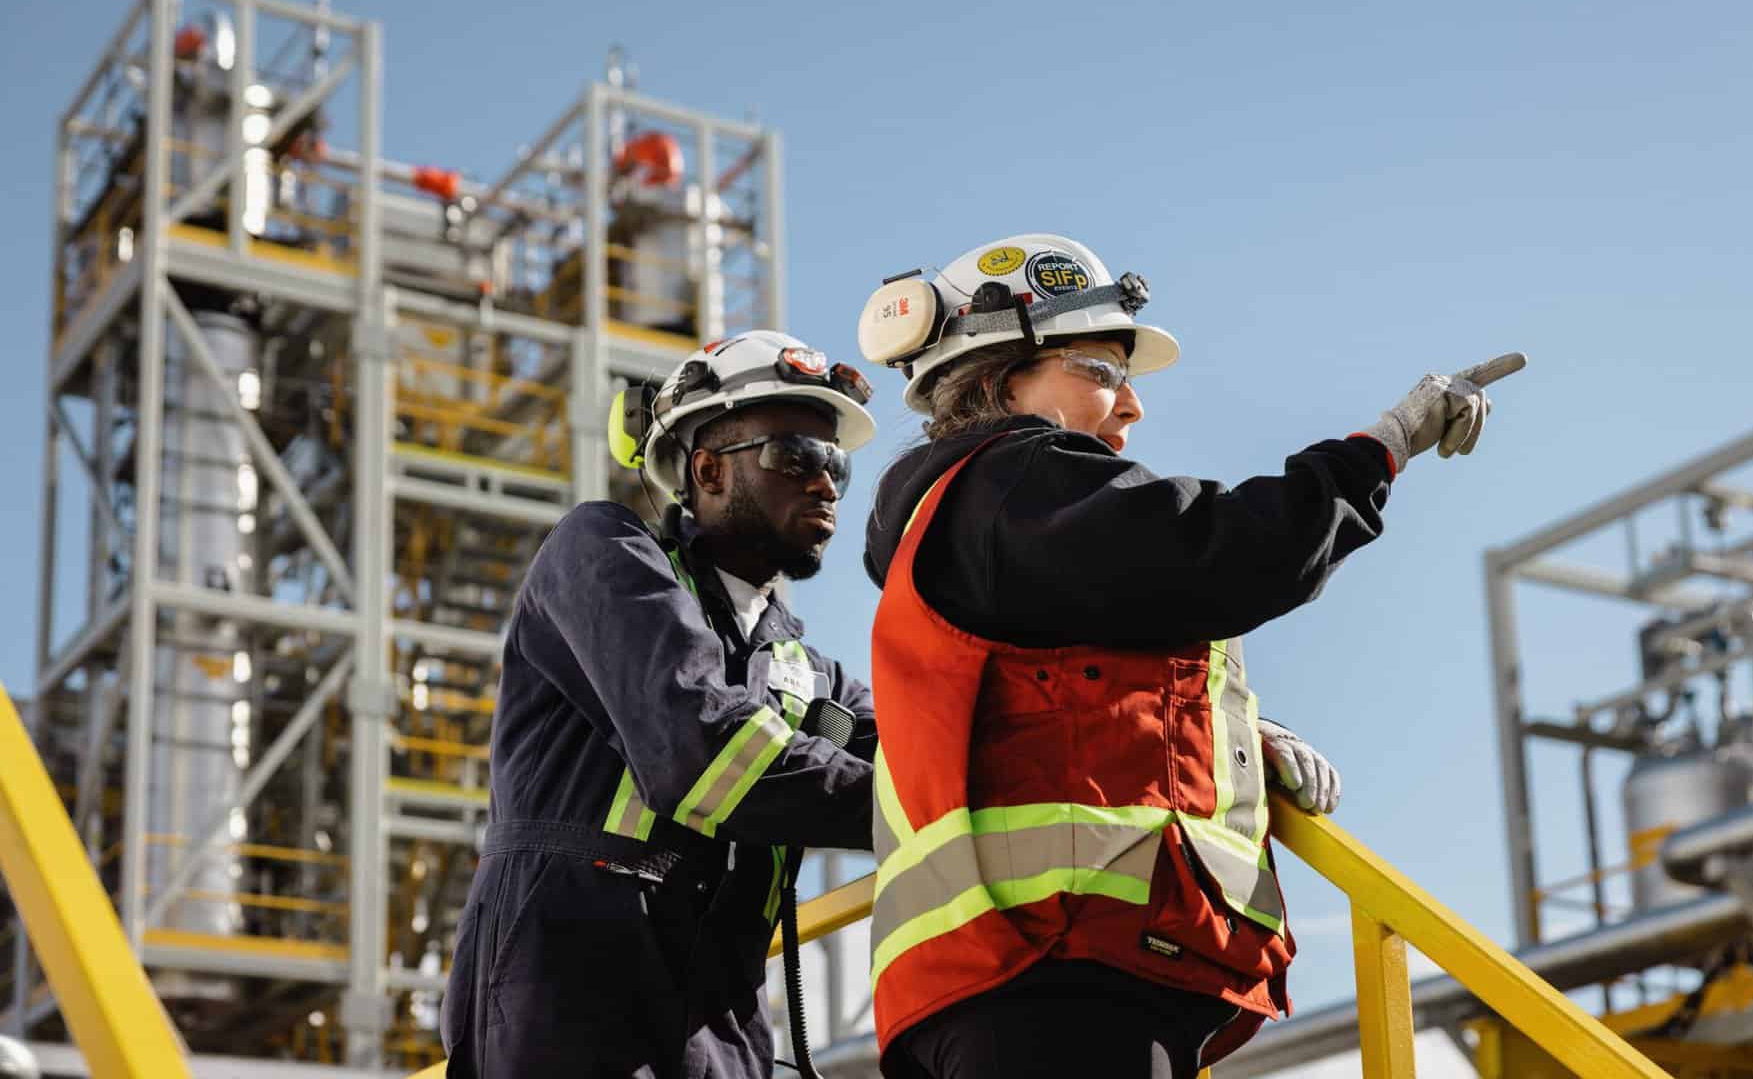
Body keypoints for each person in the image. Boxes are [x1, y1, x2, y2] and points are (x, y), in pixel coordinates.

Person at [854, 234, 1521, 1078]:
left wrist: (1235, 734)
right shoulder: (1012, 480)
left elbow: (1067, 698)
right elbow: (1221, 555)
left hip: (1021, 979)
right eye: (1097, 370)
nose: (1128, 405)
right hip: (1056, 975)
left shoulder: (976, 527)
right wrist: (1378, 449)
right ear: (998, 380)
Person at [440, 330, 883, 1079]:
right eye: (795, 456)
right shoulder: (600, 556)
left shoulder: (810, 678)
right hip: (570, 1014)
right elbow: (700, 753)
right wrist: (929, 802)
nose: (825, 482)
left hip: (720, 1030)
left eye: (834, 460)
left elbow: (921, 754)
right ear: (707, 470)